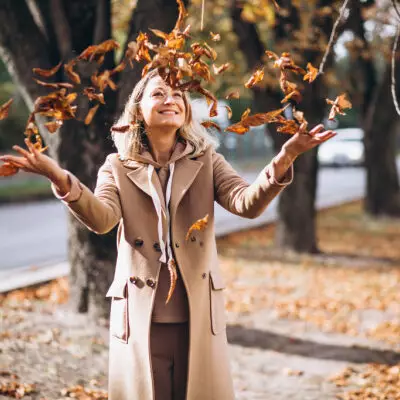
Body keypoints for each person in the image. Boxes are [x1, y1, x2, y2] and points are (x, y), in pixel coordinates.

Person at [0, 68, 336, 400]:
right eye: (158, 93)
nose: (170, 99)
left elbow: (246, 203)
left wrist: (286, 156)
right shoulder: (116, 166)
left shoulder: (208, 161)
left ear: (186, 110)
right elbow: (102, 220)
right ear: (138, 110)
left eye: (177, 94)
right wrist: (59, 177)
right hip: (140, 315)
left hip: (197, 310)